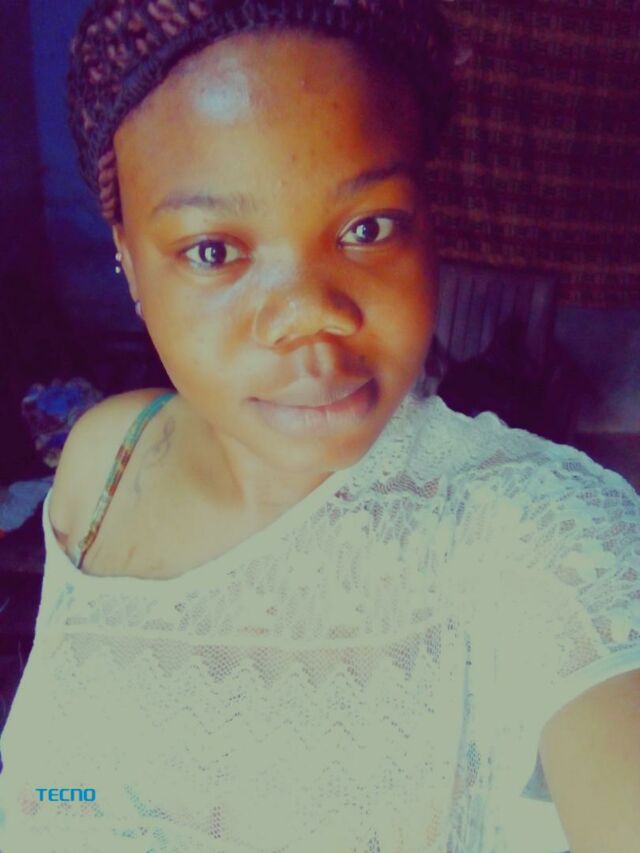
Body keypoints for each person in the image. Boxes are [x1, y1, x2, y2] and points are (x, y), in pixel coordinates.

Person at [0, 1, 638, 850]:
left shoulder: (529, 527)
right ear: (126, 255)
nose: (310, 313)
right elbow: (57, 793)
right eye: (213, 250)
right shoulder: (105, 459)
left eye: (367, 228)